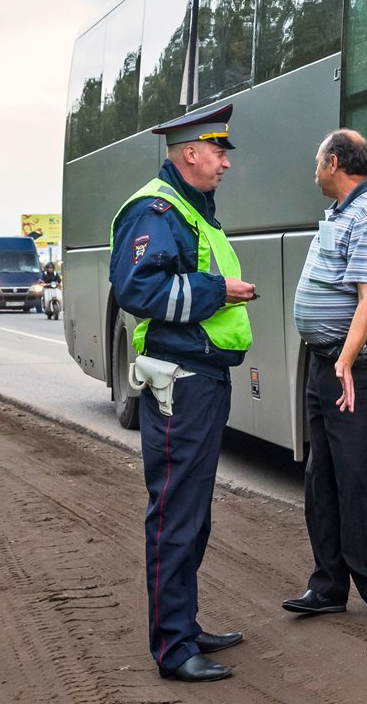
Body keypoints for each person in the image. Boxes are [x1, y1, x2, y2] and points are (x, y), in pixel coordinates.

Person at [108, 102, 258, 682]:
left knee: (193, 516)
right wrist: (217, 290)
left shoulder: (192, 208)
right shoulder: (157, 209)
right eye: (218, 152)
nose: (225, 163)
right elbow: (136, 289)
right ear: (190, 152)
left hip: (201, 380)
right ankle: (173, 649)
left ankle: (184, 625)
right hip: (181, 381)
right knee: (175, 515)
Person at [283, 129, 367, 626]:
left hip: (354, 365)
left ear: (334, 163)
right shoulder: (342, 213)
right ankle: (328, 586)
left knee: (360, 477)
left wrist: (345, 361)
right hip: (325, 361)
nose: (314, 169)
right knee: (321, 477)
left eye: (317, 161)